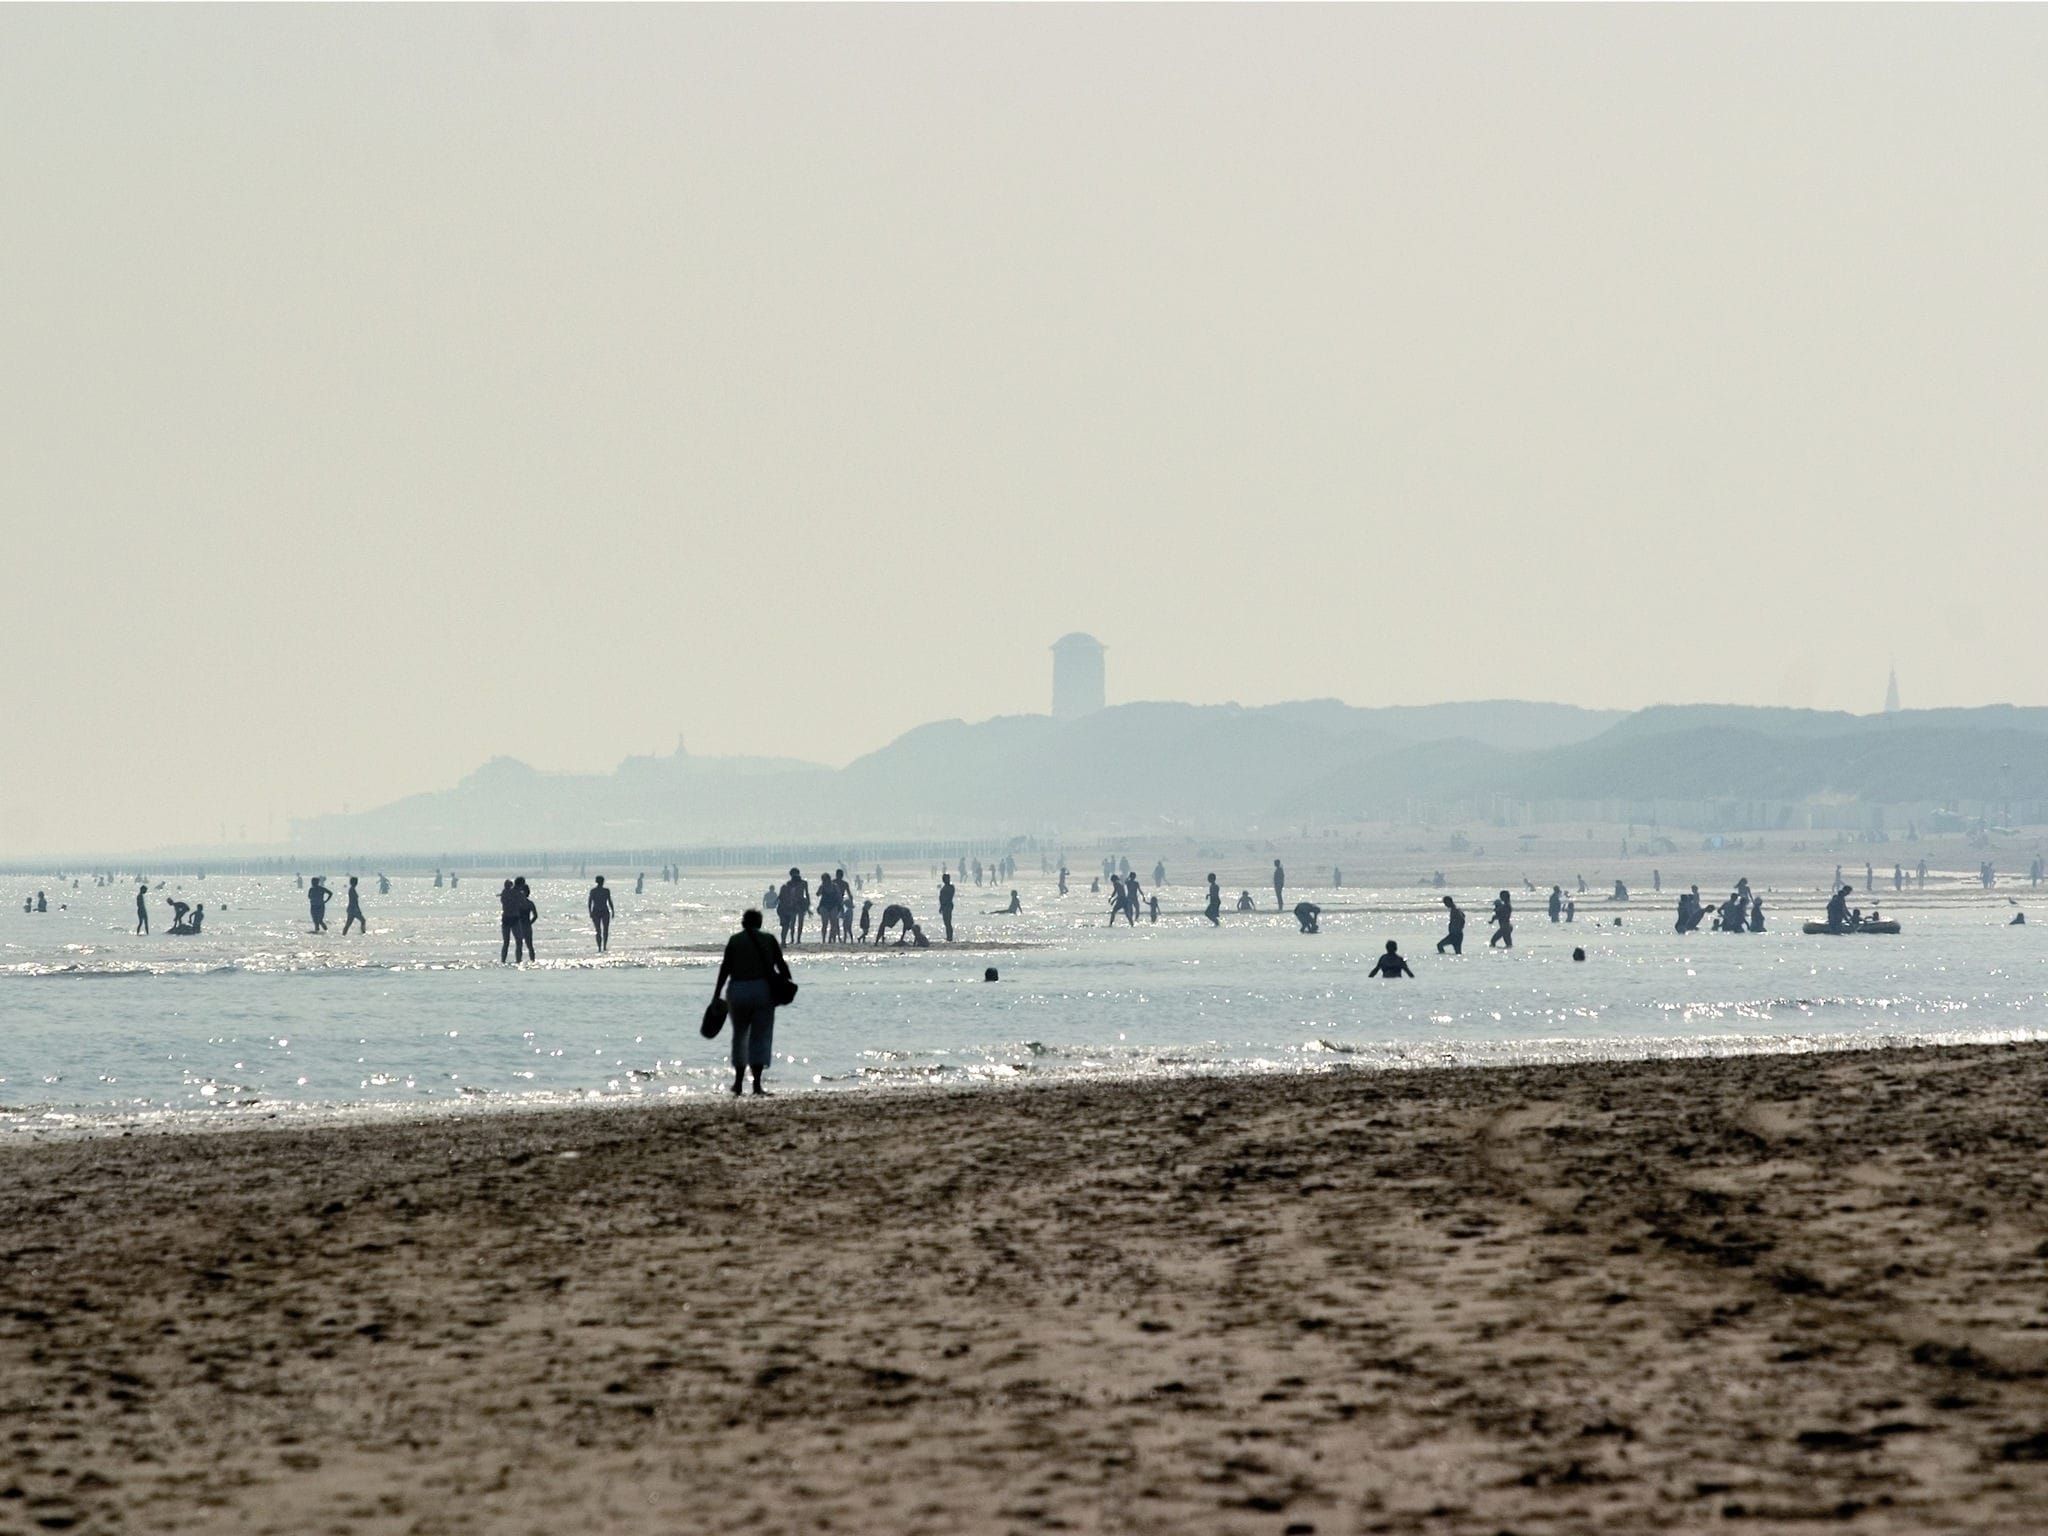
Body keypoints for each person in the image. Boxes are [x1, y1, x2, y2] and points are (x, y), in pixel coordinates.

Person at [710, 908, 793, 1097]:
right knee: (761, 1037)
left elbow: (725, 968)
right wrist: (787, 982)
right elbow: (781, 964)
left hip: (738, 990)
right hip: (762, 990)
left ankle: (738, 1084)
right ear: (760, 923)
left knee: (740, 1036)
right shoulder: (769, 939)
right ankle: (756, 1085)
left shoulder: (735, 940)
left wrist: (716, 994)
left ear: (743, 923)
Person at [588, 874, 614, 953]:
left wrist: (590, 912)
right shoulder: (606, 891)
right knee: (605, 930)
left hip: (596, 911)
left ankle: (600, 947)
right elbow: (609, 901)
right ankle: (604, 946)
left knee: (598, 930)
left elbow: (589, 903)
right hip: (604, 911)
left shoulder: (593, 891)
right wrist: (613, 910)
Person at [515, 877, 538, 961]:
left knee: (529, 945)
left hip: (527, 926)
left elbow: (535, 915)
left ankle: (532, 961)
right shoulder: (517, 902)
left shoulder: (530, 903)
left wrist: (530, 923)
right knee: (519, 945)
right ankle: (518, 961)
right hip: (519, 926)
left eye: (523, 892)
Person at [500, 879, 521, 962]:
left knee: (507, 942)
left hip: (507, 918)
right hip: (512, 918)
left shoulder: (505, 893)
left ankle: (504, 960)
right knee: (517, 941)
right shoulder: (508, 894)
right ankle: (517, 960)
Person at [938, 872, 957, 942]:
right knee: (947, 922)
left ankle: (949, 937)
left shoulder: (949, 887)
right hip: (946, 905)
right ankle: (949, 936)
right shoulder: (948, 887)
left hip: (947, 906)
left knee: (948, 922)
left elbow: (947, 898)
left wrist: (942, 905)